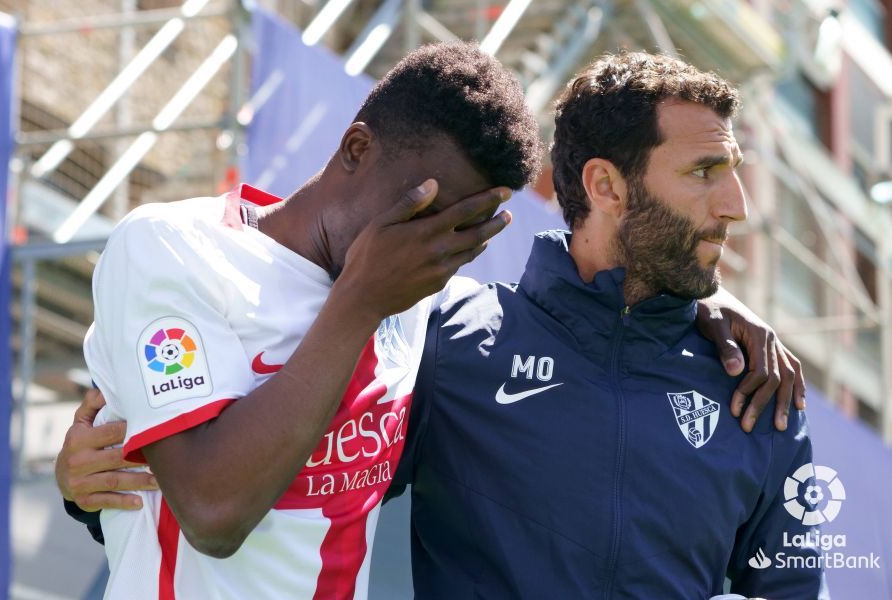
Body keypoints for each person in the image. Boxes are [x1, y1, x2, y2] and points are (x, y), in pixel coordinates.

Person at [57, 47, 807, 598]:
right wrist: (91, 484)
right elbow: (220, 504)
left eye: (464, 231)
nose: (431, 249)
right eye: (706, 173)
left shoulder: (758, 388)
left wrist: (708, 302)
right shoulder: (439, 330)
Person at [68, 41, 543, 599]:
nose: (426, 247)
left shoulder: (418, 306)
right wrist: (359, 304)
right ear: (356, 148)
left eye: (461, 231)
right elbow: (212, 513)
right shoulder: (170, 248)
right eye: (424, 213)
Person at [388, 52, 826, 598]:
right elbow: (316, 519)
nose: (737, 206)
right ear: (607, 187)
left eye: (735, 169)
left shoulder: (759, 391)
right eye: (703, 171)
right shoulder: (445, 340)